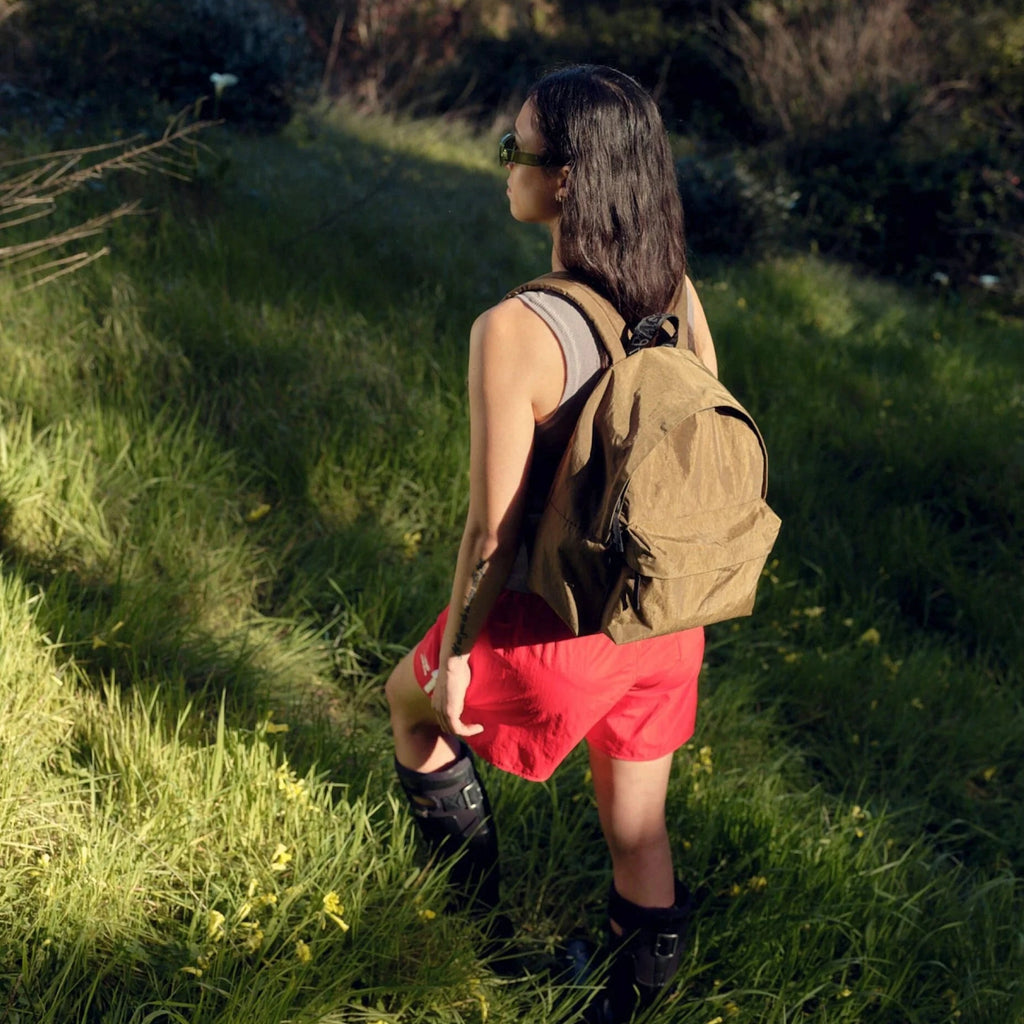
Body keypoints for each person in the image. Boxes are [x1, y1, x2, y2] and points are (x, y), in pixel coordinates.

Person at [385, 64, 719, 1023]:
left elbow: (493, 531)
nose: (502, 165)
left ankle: (471, 946)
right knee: (638, 830)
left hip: (557, 631)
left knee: (410, 710)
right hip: (662, 621)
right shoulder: (677, 296)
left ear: (565, 178)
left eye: (512, 148)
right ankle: (620, 1007)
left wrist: (453, 656)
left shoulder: (516, 328)